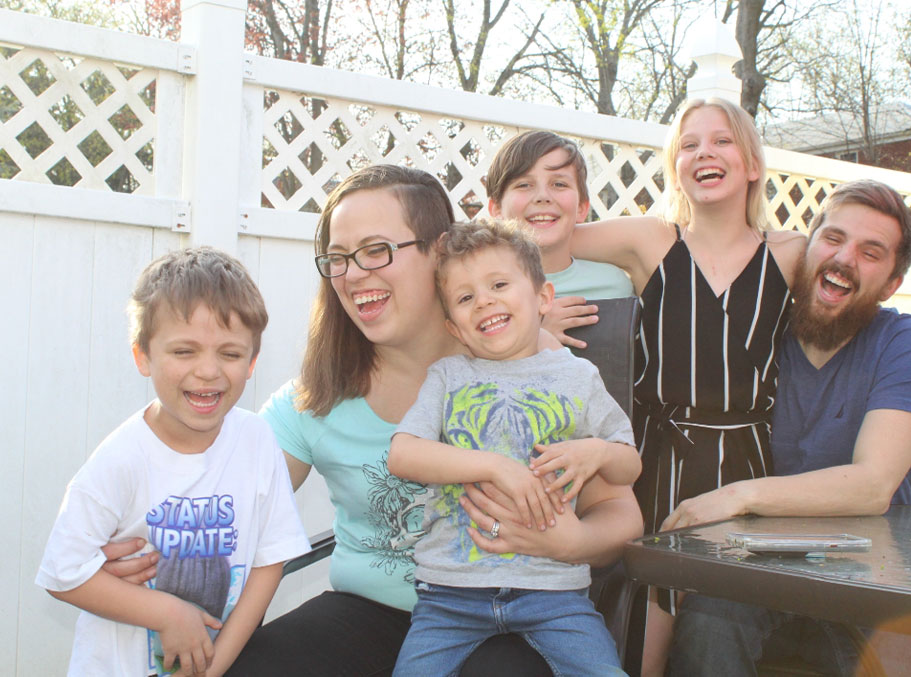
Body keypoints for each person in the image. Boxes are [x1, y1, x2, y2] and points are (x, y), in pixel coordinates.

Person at [182, 165, 640, 676]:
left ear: (439, 252)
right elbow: (230, 506)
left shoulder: (535, 371)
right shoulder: (317, 397)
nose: (354, 274)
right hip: (365, 614)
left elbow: (618, 509)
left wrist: (574, 543)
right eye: (338, 259)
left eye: (377, 250)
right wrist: (133, 539)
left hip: (510, 611)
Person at [567, 97, 911, 676]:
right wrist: (535, 309)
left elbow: (856, 295)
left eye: (723, 140)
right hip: (656, 463)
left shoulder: (789, 255)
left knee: (714, 621)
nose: (705, 152)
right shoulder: (650, 239)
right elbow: (539, 245)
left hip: (748, 472)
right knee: (645, 646)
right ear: (674, 162)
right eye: (691, 143)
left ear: (753, 162)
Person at [662, 179, 911, 676]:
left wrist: (738, 496)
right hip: (761, 571)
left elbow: (874, 485)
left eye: (870, 252)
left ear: (892, 284)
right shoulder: (758, 328)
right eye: (833, 238)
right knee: (707, 625)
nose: (845, 258)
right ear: (808, 248)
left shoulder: (900, 341)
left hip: (864, 584)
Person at [36, 247, 310, 677]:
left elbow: (269, 560)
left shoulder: (256, 440)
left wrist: (216, 666)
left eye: (230, 354)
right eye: (184, 351)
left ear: (253, 362)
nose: (208, 370)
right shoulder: (121, 459)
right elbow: (62, 571)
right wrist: (166, 614)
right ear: (142, 356)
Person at [387, 219, 640, 676]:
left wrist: (599, 453)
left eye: (499, 284)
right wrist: (494, 466)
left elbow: (629, 464)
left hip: (553, 594)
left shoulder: (577, 377)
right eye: (465, 298)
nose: (484, 300)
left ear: (543, 298)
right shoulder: (448, 377)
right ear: (454, 326)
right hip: (449, 596)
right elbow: (403, 454)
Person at [486, 130, 634, 349]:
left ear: (582, 207)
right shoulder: (479, 290)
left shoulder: (614, 285)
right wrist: (535, 333)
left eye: (559, 184)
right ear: (496, 208)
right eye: (524, 185)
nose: (543, 196)